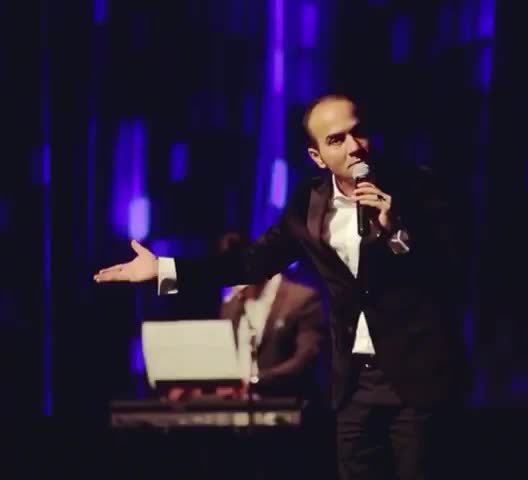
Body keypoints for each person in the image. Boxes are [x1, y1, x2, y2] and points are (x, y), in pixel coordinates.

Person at [95, 94, 466, 479]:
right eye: (336, 140)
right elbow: (250, 262)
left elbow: (452, 269)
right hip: (355, 383)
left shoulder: (417, 187)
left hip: (419, 378)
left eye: (358, 133)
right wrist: (163, 268)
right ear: (317, 156)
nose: (354, 146)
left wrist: (396, 233)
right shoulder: (308, 203)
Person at [217, 231, 325, 400]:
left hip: (285, 402)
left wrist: (255, 381)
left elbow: (305, 358)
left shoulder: (301, 299)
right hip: (234, 404)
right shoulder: (230, 305)